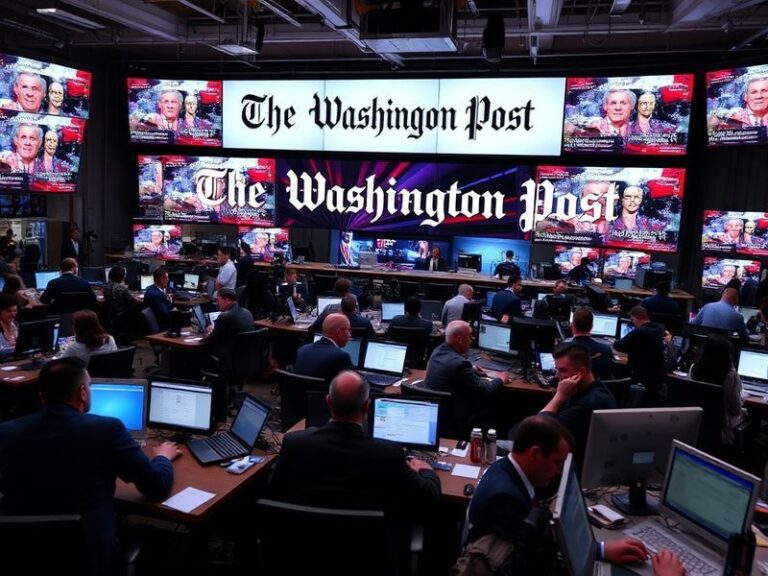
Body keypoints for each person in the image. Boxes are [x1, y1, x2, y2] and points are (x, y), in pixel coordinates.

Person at [0, 358, 179, 575]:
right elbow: (156, 487)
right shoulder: (106, 429)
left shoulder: (6, 432)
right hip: (90, 555)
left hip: (21, 551)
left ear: (41, 396)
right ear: (83, 393)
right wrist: (162, 457)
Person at [465, 415, 647, 574]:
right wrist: (598, 550)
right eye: (557, 462)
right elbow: (541, 550)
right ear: (535, 453)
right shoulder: (505, 498)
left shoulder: (508, 469)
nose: (559, 471)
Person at [268, 370, 440, 516]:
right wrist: (426, 471)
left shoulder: (295, 443)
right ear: (367, 407)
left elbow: (274, 491)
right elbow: (429, 496)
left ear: (328, 402)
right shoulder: (388, 454)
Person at [539, 343, 616, 465]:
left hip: (573, 467)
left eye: (563, 370)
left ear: (581, 372)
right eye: (557, 370)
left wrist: (559, 396)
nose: (558, 376)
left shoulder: (592, 402)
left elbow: (538, 431)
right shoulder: (579, 390)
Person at [424, 320, 507, 432]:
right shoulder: (460, 364)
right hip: (456, 416)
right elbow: (485, 392)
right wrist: (500, 379)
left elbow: (451, 366)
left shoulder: (437, 350)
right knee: (504, 406)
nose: (471, 340)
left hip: (437, 414)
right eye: (469, 336)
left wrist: (471, 368)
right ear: (459, 339)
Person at [690, 335, 746, 446]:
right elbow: (735, 410)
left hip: (697, 425)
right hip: (722, 429)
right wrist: (742, 398)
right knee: (750, 415)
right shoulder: (730, 376)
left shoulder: (694, 369)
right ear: (727, 356)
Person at [613, 306, 667, 404]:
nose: (632, 323)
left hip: (641, 378)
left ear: (637, 318)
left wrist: (615, 340)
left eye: (632, 320)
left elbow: (618, 346)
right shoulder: (658, 329)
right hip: (655, 378)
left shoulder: (640, 331)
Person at [204, 287, 254, 373]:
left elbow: (210, 340)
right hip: (245, 358)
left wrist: (208, 333)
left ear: (227, 300)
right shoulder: (248, 313)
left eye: (218, 300)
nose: (217, 303)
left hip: (228, 358)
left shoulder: (225, 317)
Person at [294, 313, 353, 384]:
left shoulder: (302, 349)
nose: (350, 335)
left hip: (295, 394)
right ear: (339, 332)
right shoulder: (340, 357)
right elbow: (354, 382)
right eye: (349, 330)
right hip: (323, 394)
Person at [566, 308, 615, 381]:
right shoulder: (606, 349)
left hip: (572, 389)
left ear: (572, 325)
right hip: (597, 390)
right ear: (592, 326)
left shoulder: (564, 349)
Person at [103, 265, 138, 334]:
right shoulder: (121, 287)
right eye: (124, 275)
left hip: (111, 314)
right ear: (121, 276)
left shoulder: (105, 287)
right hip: (122, 314)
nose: (125, 277)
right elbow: (134, 301)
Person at [143, 267, 174, 331]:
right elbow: (166, 315)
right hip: (162, 325)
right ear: (161, 279)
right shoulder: (157, 296)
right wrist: (169, 303)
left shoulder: (151, 289)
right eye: (166, 277)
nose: (168, 280)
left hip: (156, 321)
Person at [0, 293, 18, 358]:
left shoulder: (13, 325)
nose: (13, 315)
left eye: (15, 311)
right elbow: (1, 352)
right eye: (9, 311)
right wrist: (19, 348)